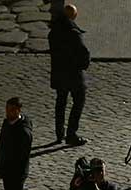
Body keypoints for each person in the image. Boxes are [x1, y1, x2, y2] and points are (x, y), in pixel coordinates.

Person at [48, 3, 90, 146]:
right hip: (74, 74)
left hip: (59, 73)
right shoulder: (73, 32)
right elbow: (84, 54)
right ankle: (71, 134)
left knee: (60, 103)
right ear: (73, 16)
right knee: (78, 102)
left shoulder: (53, 32)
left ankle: (59, 133)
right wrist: (83, 65)